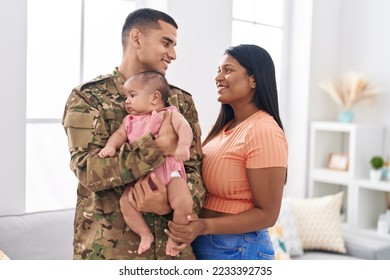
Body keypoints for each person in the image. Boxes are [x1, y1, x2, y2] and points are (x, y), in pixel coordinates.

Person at [62, 8, 205, 260]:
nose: (173, 54)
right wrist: (155, 148)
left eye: (174, 45)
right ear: (136, 38)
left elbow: (196, 172)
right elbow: (87, 169)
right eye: (166, 42)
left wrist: (169, 203)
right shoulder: (87, 97)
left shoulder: (180, 101)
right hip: (110, 255)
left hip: (173, 257)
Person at [165, 44, 288, 260]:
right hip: (209, 243)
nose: (218, 77)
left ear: (254, 80)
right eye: (218, 70)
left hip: (239, 249)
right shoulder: (222, 127)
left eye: (228, 70)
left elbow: (267, 214)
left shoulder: (264, 130)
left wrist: (203, 226)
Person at [98, 70, 194, 257]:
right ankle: (144, 234)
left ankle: (175, 237)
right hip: (142, 177)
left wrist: (183, 145)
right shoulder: (129, 120)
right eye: (126, 96)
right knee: (125, 202)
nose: (127, 101)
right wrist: (110, 146)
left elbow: (184, 127)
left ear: (155, 97)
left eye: (132, 95)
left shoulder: (168, 113)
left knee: (183, 202)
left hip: (169, 172)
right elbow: (119, 135)